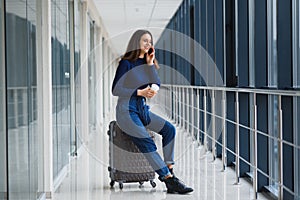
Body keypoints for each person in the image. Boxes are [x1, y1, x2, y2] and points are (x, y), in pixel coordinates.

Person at [111, 29, 193, 194]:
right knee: (147, 141)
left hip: (142, 109)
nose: (148, 44)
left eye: (150, 41)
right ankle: (168, 180)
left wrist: (150, 65)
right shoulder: (126, 63)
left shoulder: (147, 63)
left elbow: (156, 83)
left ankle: (169, 168)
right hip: (126, 111)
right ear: (137, 42)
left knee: (169, 129)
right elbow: (116, 89)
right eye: (144, 41)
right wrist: (139, 92)